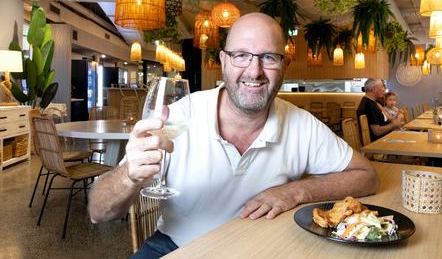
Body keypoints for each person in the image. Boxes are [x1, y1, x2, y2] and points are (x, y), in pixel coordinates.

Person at [88, 13, 379, 258]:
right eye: (241, 55)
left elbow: (367, 175)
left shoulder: (302, 124)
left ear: (285, 67)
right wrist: (129, 176)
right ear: (224, 61)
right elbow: (99, 212)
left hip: (262, 251)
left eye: (268, 57)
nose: (255, 71)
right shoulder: (176, 117)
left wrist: (296, 191)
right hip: (178, 246)